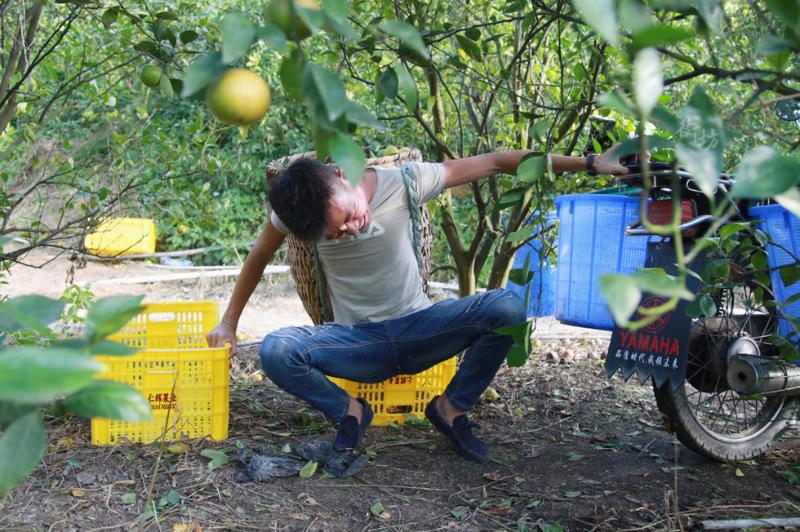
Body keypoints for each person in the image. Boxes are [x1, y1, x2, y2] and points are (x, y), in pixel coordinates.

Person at [207, 148, 626, 462]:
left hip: (423, 330)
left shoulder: (405, 181)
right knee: (274, 350)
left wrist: (589, 164)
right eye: (336, 234)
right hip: (355, 343)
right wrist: (228, 323)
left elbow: (498, 161)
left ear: (341, 175)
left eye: (349, 216)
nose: (352, 230)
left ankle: (450, 408)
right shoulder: (293, 212)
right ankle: (352, 412)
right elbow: (257, 258)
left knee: (507, 309)